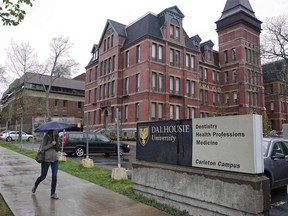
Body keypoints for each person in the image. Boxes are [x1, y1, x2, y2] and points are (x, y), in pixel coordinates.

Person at [32, 129, 60, 199]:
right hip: (46, 160)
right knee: (43, 176)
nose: (58, 131)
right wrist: (51, 144)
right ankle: (35, 185)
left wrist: (57, 144)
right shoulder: (46, 136)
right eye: (56, 130)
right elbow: (43, 148)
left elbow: (57, 149)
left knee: (55, 176)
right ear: (52, 130)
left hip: (55, 160)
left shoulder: (57, 137)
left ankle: (53, 193)